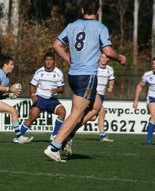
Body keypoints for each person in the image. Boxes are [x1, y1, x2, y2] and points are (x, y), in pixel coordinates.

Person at [45, 0, 126, 162]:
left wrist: (68, 59)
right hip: (86, 76)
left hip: (74, 74)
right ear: (98, 10)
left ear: (82, 10)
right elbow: (108, 51)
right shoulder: (100, 27)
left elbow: (56, 45)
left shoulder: (72, 25)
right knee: (76, 113)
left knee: (96, 106)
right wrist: (120, 58)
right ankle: (54, 146)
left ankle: (67, 135)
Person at [16, 51, 66, 142]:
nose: (48, 62)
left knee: (62, 112)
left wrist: (56, 90)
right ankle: (18, 137)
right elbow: (32, 85)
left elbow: (62, 89)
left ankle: (54, 135)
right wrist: (32, 94)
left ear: (54, 61)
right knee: (32, 116)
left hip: (52, 100)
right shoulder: (39, 72)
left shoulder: (58, 73)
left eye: (50, 60)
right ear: (44, 61)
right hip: (40, 99)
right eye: (47, 60)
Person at [133, 56, 155, 145]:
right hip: (152, 98)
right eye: (153, 64)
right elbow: (139, 86)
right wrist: (136, 100)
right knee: (154, 116)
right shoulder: (147, 75)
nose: (154, 66)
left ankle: (152, 124)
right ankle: (148, 142)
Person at [89, 53, 115, 142]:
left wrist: (111, 87)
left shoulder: (110, 69)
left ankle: (76, 121)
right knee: (102, 112)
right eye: (102, 57)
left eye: (106, 57)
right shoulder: (94, 67)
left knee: (92, 118)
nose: (104, 59)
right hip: (94, 93)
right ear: (99, 58)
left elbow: (111, 79)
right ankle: (102, 135)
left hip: (102, 95)